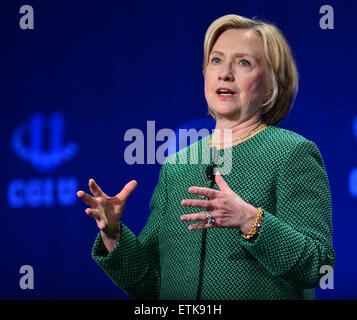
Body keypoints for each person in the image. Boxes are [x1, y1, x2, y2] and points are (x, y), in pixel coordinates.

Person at [77, 14, 335, 300]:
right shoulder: (177, 166)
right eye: (216, 60)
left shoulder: (292, 153)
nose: (225, 73)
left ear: (269, 89)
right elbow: (150, 285)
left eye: (243, 62)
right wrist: (113, 235)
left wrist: (250, 220)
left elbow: (318, 265)